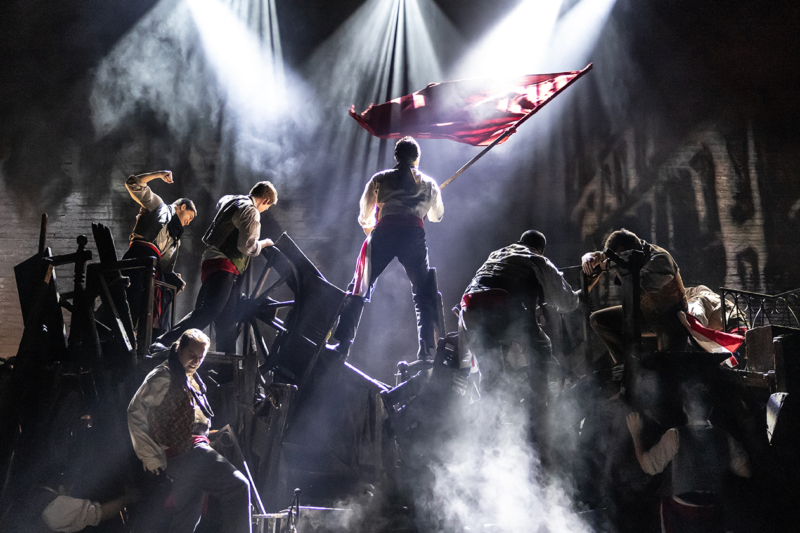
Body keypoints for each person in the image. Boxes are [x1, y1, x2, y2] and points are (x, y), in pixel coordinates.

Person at [128, 329, 251, 533]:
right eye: (191, 355)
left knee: (187, 519)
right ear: (179, 349)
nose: (195, 361)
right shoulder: (163, 376)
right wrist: (149, 455)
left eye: (200, 357)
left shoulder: (189, 377)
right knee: (238, 486)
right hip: (186, 453)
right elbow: (135, 412)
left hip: (192, 451)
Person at [331, 136, 444, 360]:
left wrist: (372, 228)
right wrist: (428, 201)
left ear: (396, 156)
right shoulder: (429, 183)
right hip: (413, 235)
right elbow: (436, 216)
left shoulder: (380, 179)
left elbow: (365, 216)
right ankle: (425, 350)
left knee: (360, 285)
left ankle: (343, 344)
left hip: (385, 232)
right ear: (417, 158)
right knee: (423, 292)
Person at [152, 181, 277, 352]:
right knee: (208, 311)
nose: (264, 210)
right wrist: (263, 244)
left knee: (227, 319)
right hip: (224, 265)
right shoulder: (251, 211)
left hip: (215, 262)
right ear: (265, 201)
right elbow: (247, 246)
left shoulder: (232, 200)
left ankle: (226, 369)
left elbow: (221, 203)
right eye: (267, 207)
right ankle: (166, 341)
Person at [458, 230, 580, 398]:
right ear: (540, 249)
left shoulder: (496, 254)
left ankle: (489, 419)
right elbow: (567, 302)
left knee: (489, 371)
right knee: (542, 346)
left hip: (469, 309)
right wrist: (577, 297)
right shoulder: (537, 258)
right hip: (501, 308)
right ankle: (539, 407)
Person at [626, 383, 751, 533]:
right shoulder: (725, 437)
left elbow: (648, 466)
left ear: (685, 409)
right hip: (711, 513)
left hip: (682, 515)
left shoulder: (675, 435)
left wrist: (635, 434)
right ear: (710, 410)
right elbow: (746, 471)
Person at [581, 228, 689, 363]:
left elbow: (637, 281)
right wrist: (589, 257)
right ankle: (626, 364)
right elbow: (603, 257)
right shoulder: (627, 256)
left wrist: (609, 263)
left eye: (619, 258)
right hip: (644, 314)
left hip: (669, 319)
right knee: (598, 320)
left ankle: (641, 365)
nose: (616, 261)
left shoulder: (660, 260)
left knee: (666, 368)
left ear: (631, 251)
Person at [123, 170, 196, 331]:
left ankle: (151, 339)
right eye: (189, 217)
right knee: (129, 303)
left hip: (153, 269)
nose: (188, 223)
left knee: (154, 309)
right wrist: (159, 174)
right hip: (138, 258)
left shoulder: (176, 240)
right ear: (182, 206)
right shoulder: (159, 205)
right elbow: (133, 183)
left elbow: (165, 266)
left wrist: (174, 277)